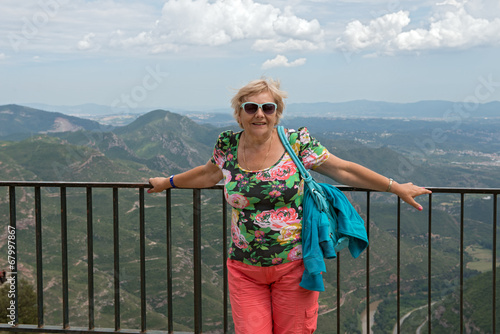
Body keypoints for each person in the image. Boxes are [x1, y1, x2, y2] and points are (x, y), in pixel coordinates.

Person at [148, 78, 431, 333]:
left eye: (268, 108)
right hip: (244, 268)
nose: (259, 114)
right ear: (239, 113)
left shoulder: (296, 142)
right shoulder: (227, 145)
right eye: (251, 107)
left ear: (277, 113)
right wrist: (167, 182)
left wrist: (395, 187)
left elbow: (343, 170)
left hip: (295, 267)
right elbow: (207, 174)